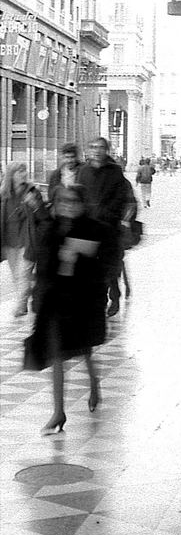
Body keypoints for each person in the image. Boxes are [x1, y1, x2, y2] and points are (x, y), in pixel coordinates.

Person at [23, 184, 108, 434]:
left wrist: (78, 259)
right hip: (55, 302)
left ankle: (93, 382)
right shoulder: (52, 228)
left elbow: (103, 265)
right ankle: (58, 411)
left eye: (73, 201)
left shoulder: (92, 229)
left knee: (84, 351)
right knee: (57, 356)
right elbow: (41, 263)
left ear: (82, 204)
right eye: (63, 201)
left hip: (81, 302)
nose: (68, 205)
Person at [77, 137, 130, 317]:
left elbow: (121, 197)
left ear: (106, 150)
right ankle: (96, 300)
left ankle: (114, 295)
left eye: (100, 147)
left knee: (110, 267)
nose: (96, 150)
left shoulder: (115, 171)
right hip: (88, 228)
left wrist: (108, 214)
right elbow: (78, 195)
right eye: (93, 147)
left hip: (109, 228)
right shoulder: (83, 171)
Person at [0, 162, 50, 317]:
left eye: (24, 170)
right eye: (19, 171)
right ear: (11, 175)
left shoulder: (32, 192)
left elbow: (44, 217)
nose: (23, 173)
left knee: (24, 274)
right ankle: (29, 294)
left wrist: (34, 205)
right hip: (9, 240)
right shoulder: (3, 194)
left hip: (28, 239)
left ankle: (21, 305)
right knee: (18, 276)